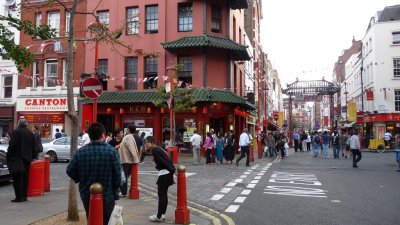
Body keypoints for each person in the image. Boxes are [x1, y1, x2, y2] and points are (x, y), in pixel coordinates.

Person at [66, 123, 121, 225]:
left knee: (91, 217)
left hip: (87, 192)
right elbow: (118, 174)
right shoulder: (111, 151)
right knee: (107, 220)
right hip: (108, 193)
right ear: (103, 135)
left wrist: (79, 178)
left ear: (90, 136)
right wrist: (116, 187)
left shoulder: (81, 152)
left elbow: (70, 170)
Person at [145, 136, 176, 222]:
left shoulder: (154, 150)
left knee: (161, 195)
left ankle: (158, 216)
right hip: (167, 173)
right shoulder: (158, 149)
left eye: (147, 142)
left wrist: (158, 166)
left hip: (164, 173)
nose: (146, 144)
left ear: (152, 143)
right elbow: (168, 159)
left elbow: (163, 162)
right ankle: (162, 215)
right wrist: (172, 170)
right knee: (164, 195)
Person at [7, 118, 36, 202]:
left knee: (17, 178)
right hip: (27, 159)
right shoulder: (30, 133)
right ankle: (24, 196)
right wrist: (33, 157)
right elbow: (34, 147)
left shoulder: (16, 132)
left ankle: (19, 197)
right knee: (25, 177)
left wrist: (9, 155)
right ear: (26, 124)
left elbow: (12, 145)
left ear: (19, 124)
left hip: (17, 158)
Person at [118, 124, 141, 197]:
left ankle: (123, 192)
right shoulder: (135, 137)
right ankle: (123, 191)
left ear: (128, 129)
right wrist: (137, 159)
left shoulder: (127, 137)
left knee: (123, 176)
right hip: (129, 160)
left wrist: (136, 159)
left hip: (126, 160)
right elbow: (140, 149)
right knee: (125, 176)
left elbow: (132, 149)